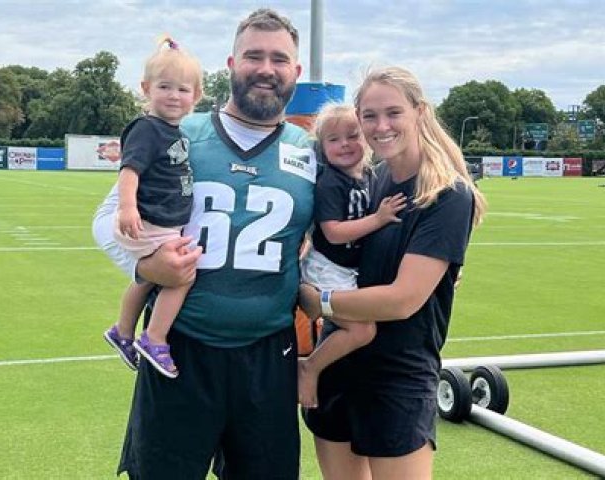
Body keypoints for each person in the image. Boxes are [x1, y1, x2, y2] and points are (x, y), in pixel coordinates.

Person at [92, 8, 313, 479]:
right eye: (254, 56)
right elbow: (105, 221)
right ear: (231, 64)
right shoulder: (179, 132)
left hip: (268, 354)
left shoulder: (310, 149)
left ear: (295, 71)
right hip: (180, 348)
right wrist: (146, 268)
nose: (266, 69)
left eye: (279, 59)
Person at [299, 66, 487, 480]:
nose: (381, 126)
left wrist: (320, 301)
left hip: (398, 377)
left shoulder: (447, 194)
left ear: (419, 111)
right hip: (339, 362)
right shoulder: (373, 177)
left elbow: (402, 301)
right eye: (370, 116)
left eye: (393, 113)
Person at [102, 37, 203, 379]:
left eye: (182, 89)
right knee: (182, 275)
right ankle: (154, 337)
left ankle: (122, 331)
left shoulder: (175, 131)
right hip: (147, 222)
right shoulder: (147, 129)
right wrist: (128, 208)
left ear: (196, 96)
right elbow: (129, 171)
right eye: (164, 87)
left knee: (147, 278)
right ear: (146, 89)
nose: (174, 96)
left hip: (162, 223)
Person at [297, 103, 406, 409]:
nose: (344, 144)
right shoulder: (330, 182)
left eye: (352, 136)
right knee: (363, 329)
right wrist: (378, 219)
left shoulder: (369, 175)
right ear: (322, 147)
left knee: (364, 325)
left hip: (349, 270)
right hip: (327, 267)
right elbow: (333, 232)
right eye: (333, 139)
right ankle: (310, 367)